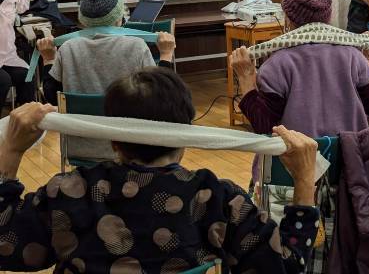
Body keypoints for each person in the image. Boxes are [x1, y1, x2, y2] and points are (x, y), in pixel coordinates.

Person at [0, 67, 319, 272]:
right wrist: (304, 183)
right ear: (184, 136)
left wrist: (11, 151)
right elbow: (288, 268)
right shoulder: (216, 201)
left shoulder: (69, 193)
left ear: (114, 139)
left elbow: (6, 246)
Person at [36, 0, 176, 162]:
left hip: (79, 148)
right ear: (119, 17)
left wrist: (49, 59)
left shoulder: (68, 48)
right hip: (130, 149)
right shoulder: (136, 47)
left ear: (83, 20)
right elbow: (161, 95)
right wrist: (166, 54)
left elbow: (52, 97)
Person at [231, 0, 369, 137]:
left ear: (287, 18)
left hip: (297, 158)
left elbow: (263, 124)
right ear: (328, 15)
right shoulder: (353, 55)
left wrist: (246, 79)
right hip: (350, 156)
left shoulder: (277, 64)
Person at [0, 0, 35, 109]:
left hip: (7, 56)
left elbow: (23, 6)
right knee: (4, 80)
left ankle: (25, 123)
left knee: (27, 75)